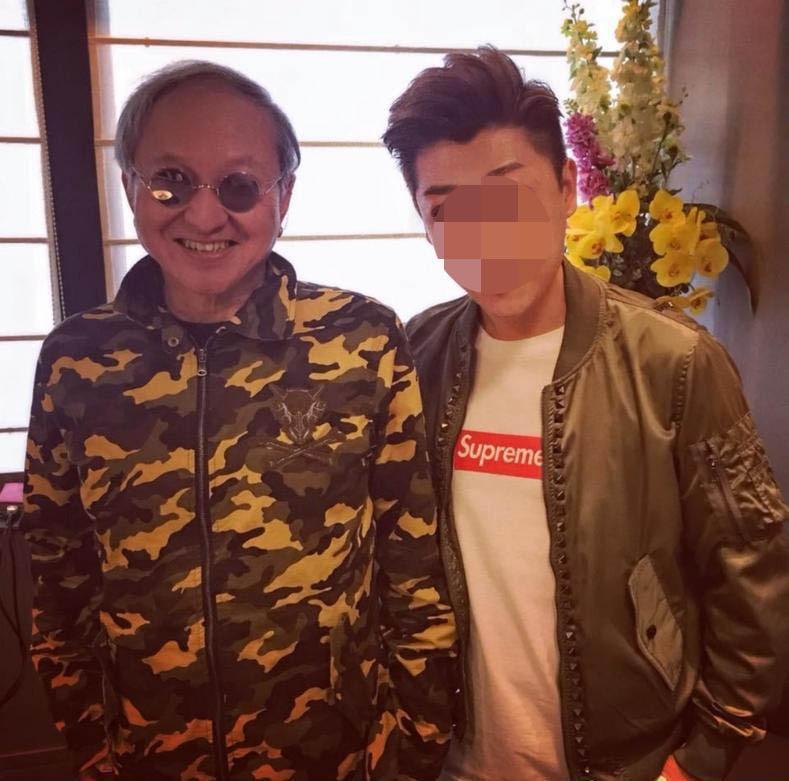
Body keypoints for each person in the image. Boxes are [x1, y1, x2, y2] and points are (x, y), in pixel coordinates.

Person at [22, 60, 456, 781]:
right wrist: (94, 746)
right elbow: (59, 576)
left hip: (339, 757)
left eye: (239, 185)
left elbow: (412, 564)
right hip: (147, 759)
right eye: (170, 181)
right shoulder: (78, 360)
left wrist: (414, 746)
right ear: (130, 186)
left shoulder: (361, 341)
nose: (203, 216)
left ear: (283, 196)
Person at [382, 46, 789, 781]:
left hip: (630, 762)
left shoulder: (674, 363)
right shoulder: (414, 358)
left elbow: (752, 570)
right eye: (445, 208)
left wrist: (700, 757)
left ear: (568, 187)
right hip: (452, 759)